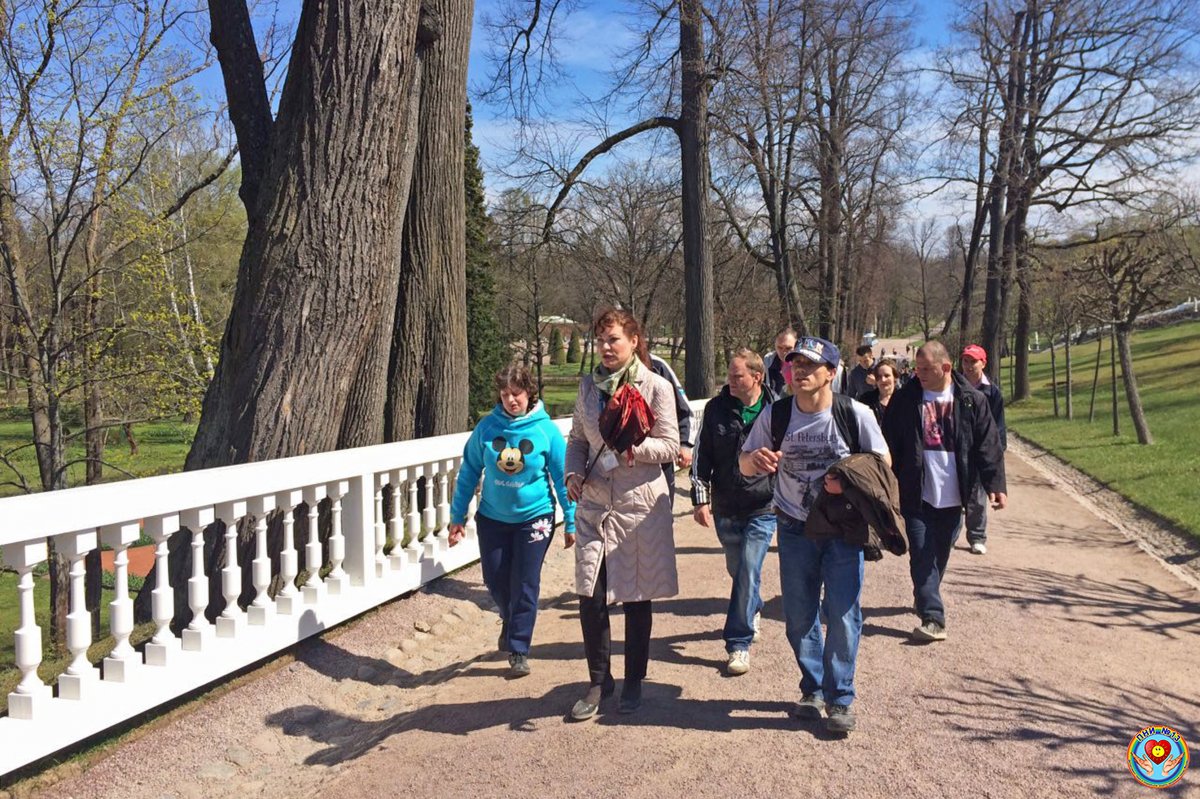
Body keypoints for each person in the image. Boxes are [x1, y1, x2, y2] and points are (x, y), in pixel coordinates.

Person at [738, 336, 890, 735]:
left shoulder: (854, 413)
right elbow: (744, 463)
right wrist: (755, 460)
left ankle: (840, 697)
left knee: (841, 613)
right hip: (793, 526)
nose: (800, 371)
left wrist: (848, 480)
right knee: (799, 614)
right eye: (795, 365)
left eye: (810, 365)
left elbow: (883, 464)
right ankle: (813, 687)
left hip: (843, 528)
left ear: (832, 373)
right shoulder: (777, 415)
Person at [565, 308, 680, 719]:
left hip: (639, 506)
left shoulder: (657, 388)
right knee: (590, 595)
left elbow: (670, 445)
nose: (606, 347)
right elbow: (578, 438)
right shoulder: (587, 388)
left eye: (614, 339)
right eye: (600, 340)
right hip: (596, 503)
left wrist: (636, 450)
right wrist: (573, 472)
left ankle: (633, 680)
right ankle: (599, 682)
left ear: (634, 341)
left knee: (635, 596)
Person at [447, 364, 576, 677]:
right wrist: (457, 517)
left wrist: (571, 520)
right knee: (495, 579)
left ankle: (519, 648)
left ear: (529, 392)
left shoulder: (546, 431)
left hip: (536, 518)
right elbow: (468, 474)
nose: (510, 400)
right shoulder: (487, 429)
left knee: (525, 582)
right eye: (504, 395)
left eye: (516, 394)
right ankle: (510, 618)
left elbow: (563, 478)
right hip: (493, 518)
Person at [881, 341, 1007, 643]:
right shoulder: (905, 400)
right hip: (916, 491)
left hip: (954, 494)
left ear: (946, 368)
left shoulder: (971, 401)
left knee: (940, 552)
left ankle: (926, 593)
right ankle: (933, 618)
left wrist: (995, 485)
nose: (918, 374)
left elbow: (987, 445)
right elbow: (888, 442)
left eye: (926, 369)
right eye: (917, 368)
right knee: (921, 553)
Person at [691, 348, 777, 676]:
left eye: (737, 375)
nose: (730, 380)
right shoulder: (716, 409)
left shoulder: (776, 409)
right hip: (726, 505)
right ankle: (752, 605)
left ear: (756, 376)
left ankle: (738, 644)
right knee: (738, 569)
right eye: (729, 374)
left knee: (749, 569)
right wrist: (700, 500)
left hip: (763, 505)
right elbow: (702, 456)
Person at [959, 344, 1007, 555]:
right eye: (965, 361)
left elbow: (998, 425)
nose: (969, 366)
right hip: (957, 447)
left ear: (983, 363)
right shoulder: (954, 386)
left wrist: (996, 453)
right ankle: (949, 533)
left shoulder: (992, 392)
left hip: (980, 449)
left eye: (973, 361)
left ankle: (977, 536)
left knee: (977, 495)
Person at [648, 352, 696, 502]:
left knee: (660, 515)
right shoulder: (601, 373)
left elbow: (683, 409)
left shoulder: (657, 366)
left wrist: (684, 444)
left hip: (659, 458)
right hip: (617, 467)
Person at [856, 358, 900, 426]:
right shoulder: (866, 400)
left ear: (895, 377)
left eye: (887, 375)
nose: (883, 380)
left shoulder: (904, 400)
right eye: (879, 377)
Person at [762, 327, 798, 397]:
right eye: (779, 347)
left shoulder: (803, 364)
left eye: (788, 348)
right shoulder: (769, 361)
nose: (783, 352)